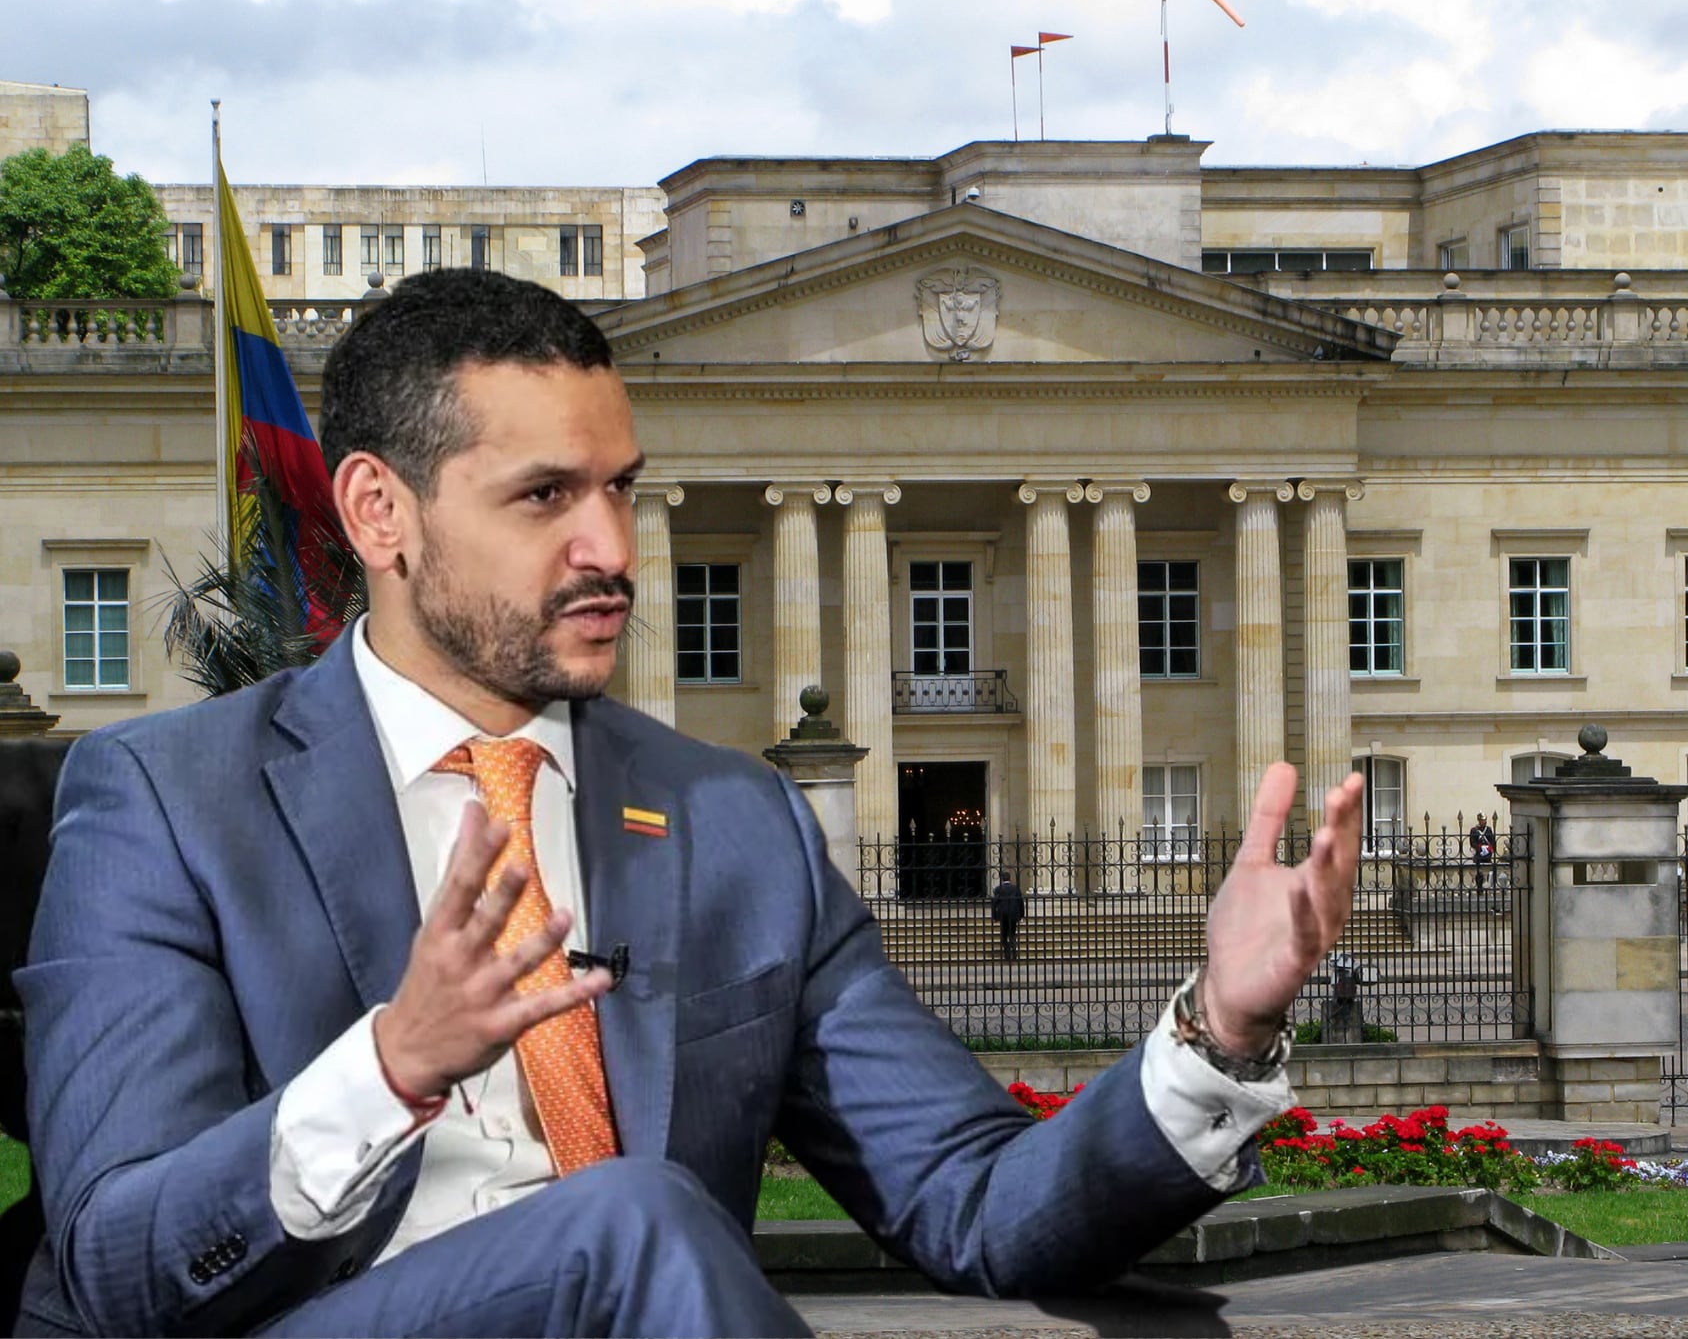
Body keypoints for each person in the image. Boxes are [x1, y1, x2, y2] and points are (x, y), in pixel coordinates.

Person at [16, 268, 1365, 1338]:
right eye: (544, 496)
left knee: (633, 1226)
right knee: (633, 1221)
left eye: (621, 489)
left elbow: (978, 1203)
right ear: (380, 511)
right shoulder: (165, 802)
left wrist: (1219, 1029)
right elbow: (122, 1267)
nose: (611, 549)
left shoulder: (734, 825)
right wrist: (395, 1064)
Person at [990, 869, 1025, 962]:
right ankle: (1014, 951)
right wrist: (1022, 915)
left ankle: (1007, 954)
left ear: (1002, 879)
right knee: (1012, 933)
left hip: (1003, 914)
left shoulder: (998, 889)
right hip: (1013, 914)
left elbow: (994, 903)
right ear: (1010, 878)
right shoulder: (1015, 888)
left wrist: (994, 916)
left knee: (1004, 934)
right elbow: (1020, 902)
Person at [1468, 812, 1498, 897]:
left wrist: (1489, 848)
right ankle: (1479, 889)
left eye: (1484, 820)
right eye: (1482, 820)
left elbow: (1492, 840)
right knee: (1479, 872)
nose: (1483, 822)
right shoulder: (1474, 830)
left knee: (1489, 871)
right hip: (1479, 854)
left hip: (1487, 854)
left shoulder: (1488, 830)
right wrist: (1479, 847)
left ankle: (1489, 888)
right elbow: (1472, 842)